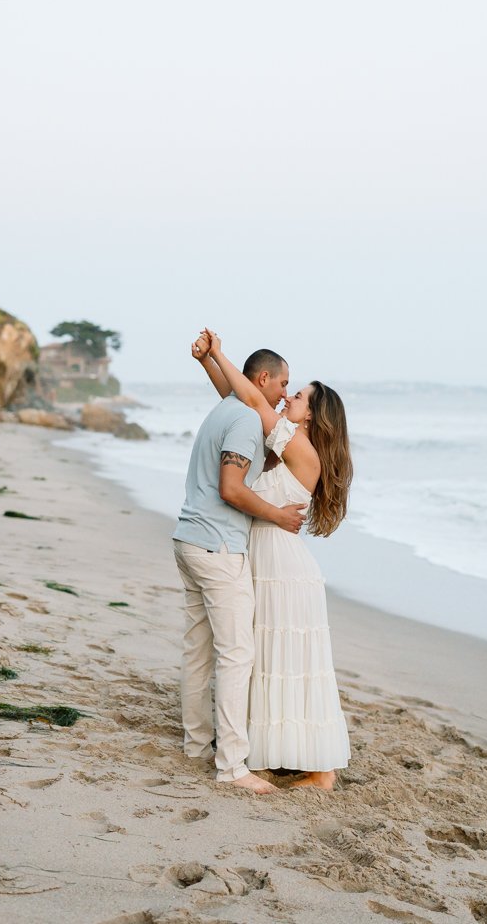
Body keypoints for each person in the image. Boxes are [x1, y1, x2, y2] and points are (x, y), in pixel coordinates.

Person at [192, 329, 353, 790]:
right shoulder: (280, 442)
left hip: (283, 568)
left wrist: (220, 353)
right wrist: (209, 364)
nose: (288, 398)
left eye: (297, 396)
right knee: (267, 661)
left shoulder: (302, 450)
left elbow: (254, 401)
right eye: (288, 389)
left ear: (313, 413)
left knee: (289, 664)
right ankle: (275, 754)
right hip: (263, 560)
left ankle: (321, 772)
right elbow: (242, 402)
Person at [171, 345, 306, 795]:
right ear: (263, 380)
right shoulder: (247, 420)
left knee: (199, 649)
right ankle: (231, 765)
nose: (286, 392)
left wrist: (210, 361)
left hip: (189, 540)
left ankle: (195, 745)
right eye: (284, 383)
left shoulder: (227, 408)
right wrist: (277, 515)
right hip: (217, 548)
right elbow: (232, 488)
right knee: (237, 654)